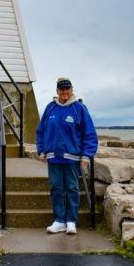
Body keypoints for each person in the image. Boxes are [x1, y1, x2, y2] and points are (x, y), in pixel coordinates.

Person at [35, 77, 98, 235]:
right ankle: (59, 221)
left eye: (67, 89)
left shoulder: (79, 108)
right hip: (53, 157)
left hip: (72, 158)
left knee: (72, 188)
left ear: (71, 90)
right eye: (61, 89)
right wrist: (41, 150)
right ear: (57, 91)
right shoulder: (50, 108)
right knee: (56, 188)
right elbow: (41, 131)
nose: (64, 92)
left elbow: (89, 134)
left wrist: (86, 155)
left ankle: (71, 221)